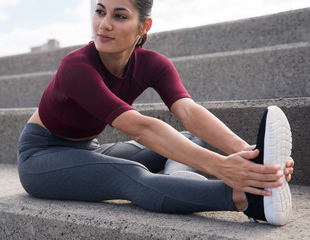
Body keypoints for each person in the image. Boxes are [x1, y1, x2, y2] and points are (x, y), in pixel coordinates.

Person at [17, 0, 294, 225]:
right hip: (41, 157)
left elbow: (188, 111)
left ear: (143, 26)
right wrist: (221, 167)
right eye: (100, 11)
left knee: (185, 137)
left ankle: (180, 181)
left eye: (120, 16)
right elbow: (141, 129)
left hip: (88, 149)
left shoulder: (154, 64)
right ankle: (246, 198)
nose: (104, 24)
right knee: (128, 173)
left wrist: (251, 156)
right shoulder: (75, 67)